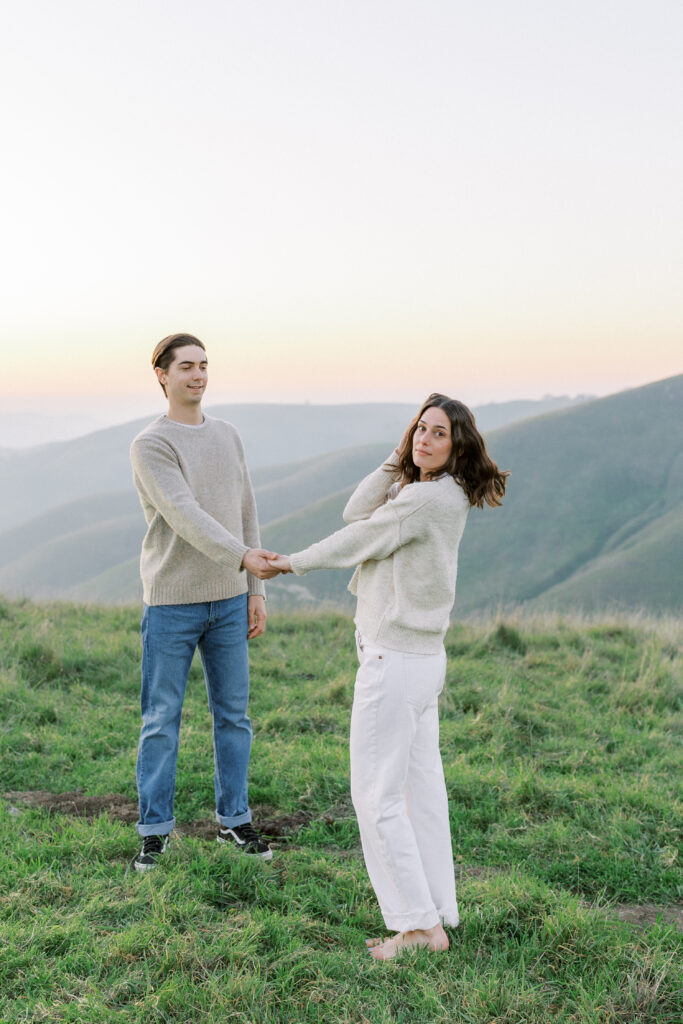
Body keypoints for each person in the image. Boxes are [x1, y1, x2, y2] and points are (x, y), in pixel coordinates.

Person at [267, 394, 508, 959]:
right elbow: (360, 510)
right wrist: (399, 456)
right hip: (422, 662)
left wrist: (290, 561)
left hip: (394, 662)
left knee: (375, 794)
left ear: (459, 445)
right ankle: (436, 910)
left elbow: (354, 535)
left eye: (438, 434)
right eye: (418, 429)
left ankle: (420, 928)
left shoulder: (423, 501)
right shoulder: (434, 493)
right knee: (418, 791)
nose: (424, 439)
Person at [129, 333, 279, 871]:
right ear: (162, 376)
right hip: (171, 603)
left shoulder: (228, 435)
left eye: (204, 365)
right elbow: (184, 513)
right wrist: (244, 558)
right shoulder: (151, 444)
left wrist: (254, 590)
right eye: (187, 366)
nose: (198, 375)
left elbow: (245, 507)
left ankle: (234, 823)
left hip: (230, 600)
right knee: (161, 718)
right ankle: (154, 832)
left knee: (233, 717)